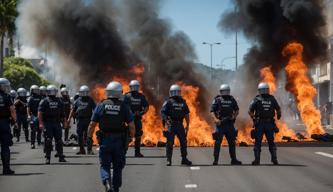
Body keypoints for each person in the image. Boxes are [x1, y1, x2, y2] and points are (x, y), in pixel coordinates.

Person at [88, 81, 135, 192]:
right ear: (120, 93)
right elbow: (132, 126)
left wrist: (89, 138)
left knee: (105, 165)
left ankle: (107, 182)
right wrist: (130, 138)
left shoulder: (101, 105)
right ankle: (116, 186)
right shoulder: (124, 106)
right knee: (118, 166)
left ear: (108, 92)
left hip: (105, 140)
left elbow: (92, 124)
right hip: (119, 141)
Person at [249, 82, 281, 165]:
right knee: (270, 142)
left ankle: (257, 160)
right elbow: (278, 109)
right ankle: (274, 159)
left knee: (259, 142)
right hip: (267, 123)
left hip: (262, 124)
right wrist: (279, 115)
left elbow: (250, 111)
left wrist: (254, 118)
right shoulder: (271, 98)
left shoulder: (257, 99)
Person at [210, 84, 242, 165]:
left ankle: (234, 159)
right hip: (220, 124)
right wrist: (216, 119)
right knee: (217, 142)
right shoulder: (217, 99)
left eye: (226, 91)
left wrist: (233, 116)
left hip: (229, 124)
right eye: (224, 91)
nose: (225, 93)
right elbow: (212, 111)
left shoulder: (232, 99)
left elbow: (237, 110)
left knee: (232, 142)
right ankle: (215, 160)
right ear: (221, 92)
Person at [161, 84, 192, 166]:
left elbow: (186, 114)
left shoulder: (183, 102)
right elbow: (163, 112)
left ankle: (184, 159)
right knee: (170, 142)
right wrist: (166, 121)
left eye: (176, 92)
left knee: (183, 142)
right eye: (174, 92)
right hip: (171, 124)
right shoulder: (168, 102)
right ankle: (169, 160)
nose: (175, 93)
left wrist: (187, 124)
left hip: (180, 124)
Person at [38, 85, 67, 164]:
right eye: (51, 91)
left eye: (54, 91)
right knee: (48, 140)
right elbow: (40, 113)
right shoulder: (44, 101)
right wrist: (40, 123)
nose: (52, 93)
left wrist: (64, 122)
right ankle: (48, 158)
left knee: (59, 141)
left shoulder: (59, 101)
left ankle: (61, 156)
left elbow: (63, 113)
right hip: (47, 123)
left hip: (57, 123)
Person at [68, 85, 96, 155]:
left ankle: (89, 150)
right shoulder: (77, 100)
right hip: (80, 120)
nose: (84, 94)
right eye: (83, 92)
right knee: (80, 135)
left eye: (85, 92)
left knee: (89, 135)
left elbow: (95, 110)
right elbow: (73, 110)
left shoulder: (90, 100)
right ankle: (82, 150)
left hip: (88, 119)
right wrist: (69, 119)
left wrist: (95, 119)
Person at [124, 80, 149, 157]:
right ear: (130, 87)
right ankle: (123, 152)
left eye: (136, 87)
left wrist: (141, 113)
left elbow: (146, 107)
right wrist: (128, 113)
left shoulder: (141, 96)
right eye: (133, 87)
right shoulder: (127, 96)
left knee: (138, 135)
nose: (134, 89)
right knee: (127, 136)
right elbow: (122, 107)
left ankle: (137, 152)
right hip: (129, 119)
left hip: (137, 118)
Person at [0, 78, 16, 175]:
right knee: (5, 146)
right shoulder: (7, 96)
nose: (6, 88)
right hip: (3, 123)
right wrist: (15, 121)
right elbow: (12, 110)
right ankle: (6, 169)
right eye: (5, 86)